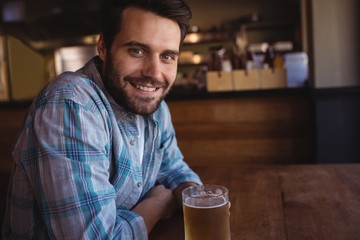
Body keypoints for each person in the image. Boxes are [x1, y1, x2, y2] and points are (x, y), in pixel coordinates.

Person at [2, 0, 202, 239]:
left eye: (167, 56)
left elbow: (172, 168)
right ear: (104, 47)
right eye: (137, 50)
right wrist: (157, 205)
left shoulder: (155, 107)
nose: (154, 73)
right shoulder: (70, 104)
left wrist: (197, 197)